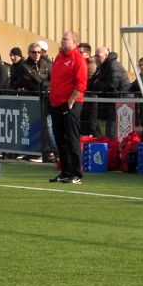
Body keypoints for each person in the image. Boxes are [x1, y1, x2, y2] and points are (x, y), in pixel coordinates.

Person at [48, 30, 88, 184]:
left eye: (65, 39)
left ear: (74, 42)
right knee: (60, 139)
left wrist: (72, 99)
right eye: (62, 39)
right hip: (56, 103)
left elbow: (81, 83)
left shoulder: (77, 59)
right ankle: (65, 171)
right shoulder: (59, 57)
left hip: (70, 103)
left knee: (71, 138)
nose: (62, 41)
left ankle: (76, 173)